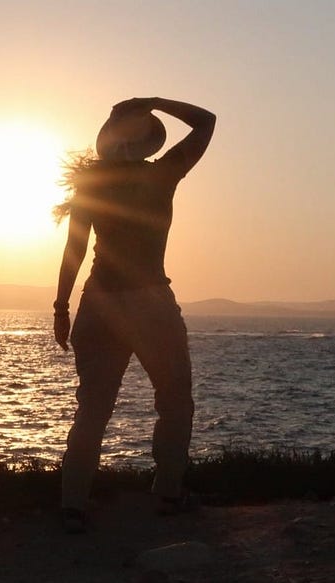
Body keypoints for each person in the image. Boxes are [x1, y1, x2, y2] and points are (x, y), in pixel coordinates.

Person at [53, 96, 215, 532]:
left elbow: (76, 249)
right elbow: (206, 122)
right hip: (149, 301)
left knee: (92, 409)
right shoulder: (162, 174)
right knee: (175, 399)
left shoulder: (92, 184)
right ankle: (167, 494)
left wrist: (61, 306)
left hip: (98, 303)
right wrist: (159, 100)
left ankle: (73, 505)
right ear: (147, 142)